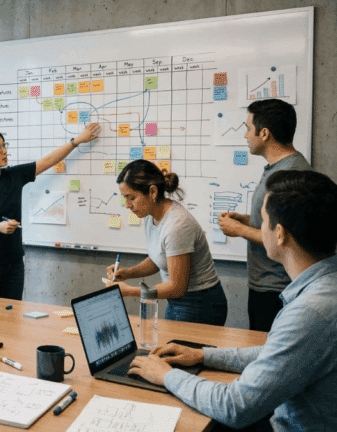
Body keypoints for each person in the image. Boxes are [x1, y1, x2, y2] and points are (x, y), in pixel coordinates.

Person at [128, 170, 337, 431]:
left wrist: (167, 376)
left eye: (262, 221)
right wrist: (202, 355)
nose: (259, 229)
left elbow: (235, 405)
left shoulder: (311, 311)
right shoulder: (324, 289)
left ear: (280, 234)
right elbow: (274, 354)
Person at [0, 123, 101, 300]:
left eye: (4, 145)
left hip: (15, 262)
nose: (4, 151)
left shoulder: (14, 176)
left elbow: (49, 160)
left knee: (11, 314)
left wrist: (76, 141)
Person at [218, 99, 312, 332]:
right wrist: (247, 220)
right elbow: (278, 220)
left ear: (265, 133)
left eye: (248, 128)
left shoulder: (291, 173)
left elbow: (287, 234)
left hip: (277, 289)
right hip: (265, 285)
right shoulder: (276, 168)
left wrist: (239, 231)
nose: (245, 135)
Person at [106, 159, 227, 325]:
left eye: (131, 198)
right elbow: (159, 259)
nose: (127, 205)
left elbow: (177, 287)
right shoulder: (151, 216)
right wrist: (127, 273)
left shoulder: (177, 225)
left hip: (199, 302)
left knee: (174, 350)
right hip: (178, 299)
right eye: (124, 198)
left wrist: (129, 291)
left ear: (153, 192)